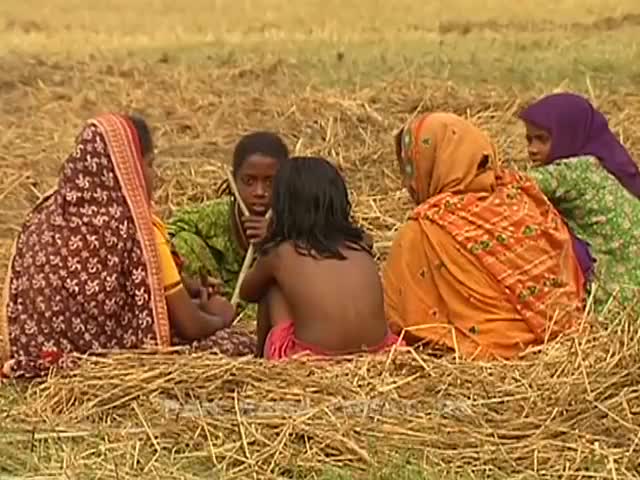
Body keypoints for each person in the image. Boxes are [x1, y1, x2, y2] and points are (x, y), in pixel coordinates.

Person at [0, 114, 254, 379]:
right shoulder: (138, 231)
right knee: (238, 344)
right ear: (129, 167)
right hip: (107, 356)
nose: (154, 175)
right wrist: (221, 317)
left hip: (32, 347)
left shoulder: (46, 215)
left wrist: (186, 289)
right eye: (150, 165)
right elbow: (190, 326)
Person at [382, 112, 585, 360]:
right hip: (561, 335)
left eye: (412, 167)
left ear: (431, 163)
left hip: (489, 351)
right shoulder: (521, 196)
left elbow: (405, 319)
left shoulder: (422, 231)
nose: (408, 181)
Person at [238, 156, 403, 360]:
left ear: (283, 206)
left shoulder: (280, 254)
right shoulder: (361, 242)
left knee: (272, 288)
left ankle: (259, 359)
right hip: (379, 353)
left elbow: (247, 292)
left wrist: (267, 243)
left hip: (312, 359)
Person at [520, 93, 640, 312]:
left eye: (542, 139)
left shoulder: (573, 171)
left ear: (568, 134)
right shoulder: (605, 162)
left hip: (619, 297)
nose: (532, 149)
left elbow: (515, 186)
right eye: (529, 139)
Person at [167, 132, 289, 297]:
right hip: (217, 299)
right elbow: (166, 232)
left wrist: (277, 239)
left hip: (265, 309)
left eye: (270, 182)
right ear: (233, 180)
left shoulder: (297, 220)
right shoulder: (217, 214)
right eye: (249, 181)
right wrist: (192, 283)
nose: (260, 192)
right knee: (183, 242)